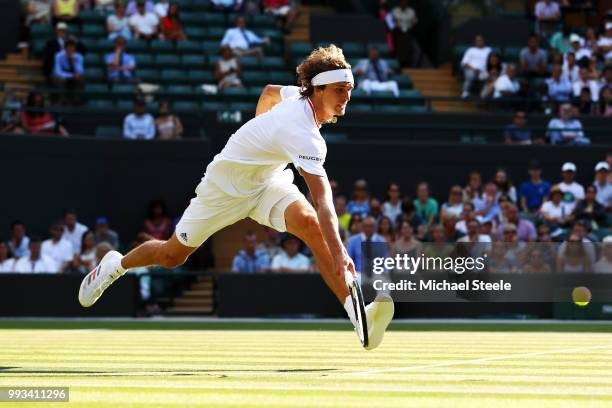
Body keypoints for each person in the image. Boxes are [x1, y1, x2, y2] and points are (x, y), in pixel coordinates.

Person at [78, 44, 394, 350]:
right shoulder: (305, 136)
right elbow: (323, 200)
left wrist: (259, 132)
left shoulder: (298, 97)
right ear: (319, 90)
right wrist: (339, 251)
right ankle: (115, 265)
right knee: (172, 255)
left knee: (310, 225)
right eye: (339, 90)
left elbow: (270, 90)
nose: (346, 97)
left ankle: (359, 317)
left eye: (349, 89)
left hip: (268, 182)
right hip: (223, 189)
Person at [53, 39, 84, 104]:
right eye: (69, 48)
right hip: (63, 76)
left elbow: (80, 71)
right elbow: (58, 71)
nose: (71, 50)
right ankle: (63, 101)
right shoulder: (58, 56)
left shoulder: (79, 56)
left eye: (73, 48)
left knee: (81, 78)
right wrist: (70, 76)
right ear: (65, 48)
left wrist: (73, 62)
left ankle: (76, 101)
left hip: (73, 76)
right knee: (61, 79)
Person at [390, 0, 418, 67]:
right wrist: (396, 26)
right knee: (399, 49)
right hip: (398, 32)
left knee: (407, 49)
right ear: (400, 2)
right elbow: (390, 21)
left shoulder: (411, 11)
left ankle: (407, 65)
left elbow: (415, 21)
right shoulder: (395, 10)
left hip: (407, 32)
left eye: (405, 1)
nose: (404, 3)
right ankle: (398, 65)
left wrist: (410, 26)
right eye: (402, 1)